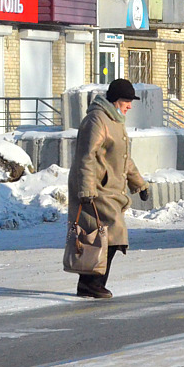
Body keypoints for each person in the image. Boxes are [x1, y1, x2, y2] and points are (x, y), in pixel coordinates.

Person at [68, 79, 149, 299]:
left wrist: (139, 183)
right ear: (115, 100)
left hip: (111, 189)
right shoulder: (97, 120)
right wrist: (85, 190)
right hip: (96, 188)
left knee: (107, 236)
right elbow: (86, 156)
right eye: (126, 101)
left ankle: (90, 283)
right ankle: (92, 283)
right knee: (110, 234)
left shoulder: (115, 120)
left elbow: (123, 158)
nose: (129, 106)